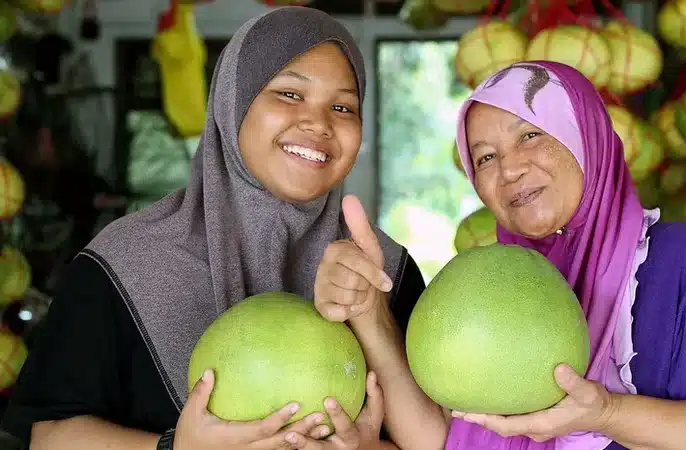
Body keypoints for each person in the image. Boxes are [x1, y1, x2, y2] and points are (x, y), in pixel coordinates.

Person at [1, 7, 427, 450]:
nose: (319, 123)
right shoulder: (124, 263)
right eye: (288, 94)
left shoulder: (381, 271)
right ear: (232, 104)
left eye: (343, 106)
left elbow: (461, 439)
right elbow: (49, 438)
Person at [317, 60, 686, 450]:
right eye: (485, 157)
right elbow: (453, 439)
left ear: (586, 136)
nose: (509, 169)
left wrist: (607, 413)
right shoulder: (494, 288)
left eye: (531, 135)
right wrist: (368, 313)